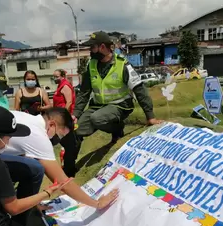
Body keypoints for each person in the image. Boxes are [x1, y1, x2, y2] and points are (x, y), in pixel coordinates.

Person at [0, 107, 119, 223]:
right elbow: (62, 181)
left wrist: (33, 201)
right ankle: (18, 224)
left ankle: (22, 210)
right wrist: (96, 203)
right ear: (52, 125)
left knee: (31, 167)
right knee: (34, 168)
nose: (56, 140)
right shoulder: (37, 134)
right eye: (59, 135)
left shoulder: (25, 118)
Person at [65, 31, 163, 177]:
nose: (90, 51)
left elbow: (139, 90)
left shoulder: (122, 65)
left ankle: (117, 128)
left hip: (120, 105)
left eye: (92, 47)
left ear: (103, 47)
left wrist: (150, 117)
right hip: (98, 106)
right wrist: (75, 115)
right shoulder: (91, 66)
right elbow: (84, 92)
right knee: (75, 131)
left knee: (96, 119)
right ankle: (69, 170)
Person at [52, 69, 78, 176]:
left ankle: (68, 170)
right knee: (68, 144)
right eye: (54, 77)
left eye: (57, 76)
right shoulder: (60, 86)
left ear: (63, 76)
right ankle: (69, 168)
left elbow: (69, 102)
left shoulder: (65, 86)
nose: (55, 79)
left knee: (69, 144)